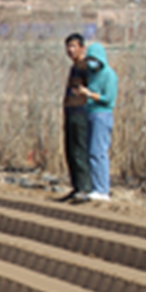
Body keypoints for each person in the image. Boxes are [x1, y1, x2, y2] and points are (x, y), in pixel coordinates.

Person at [78, 41, 117, 202]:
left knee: (98, 152)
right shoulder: (92, 74)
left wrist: (89, 94)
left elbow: (108, 98)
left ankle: (102, 189)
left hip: (102, 115)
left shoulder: (109, 75)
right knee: (90, 152)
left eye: (94, 59)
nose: (91, 63)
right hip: (91, 113)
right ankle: (95, 187)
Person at [57, 33, 92, 203]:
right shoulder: (74, 67)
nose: (70, 50)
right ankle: (76, 186)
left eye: (73, 46)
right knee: (70, 151)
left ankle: (84, 187)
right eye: (68, 47)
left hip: (80, 112)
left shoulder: (86, 66)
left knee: (79, 150)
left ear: (82, 48)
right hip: (70, 112)